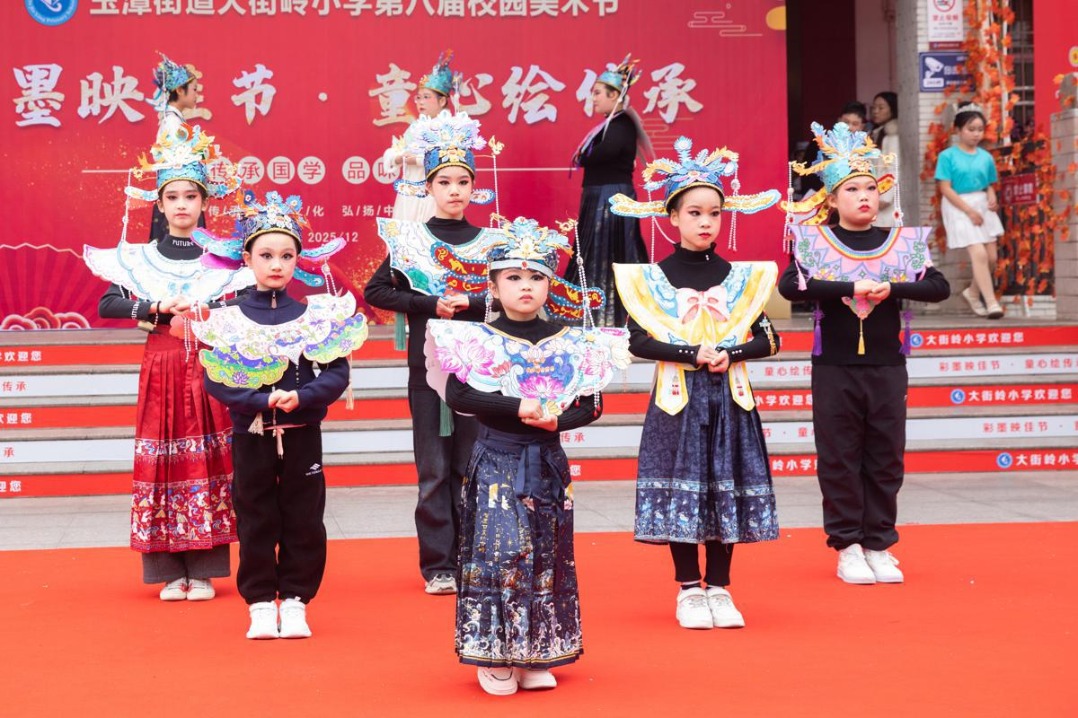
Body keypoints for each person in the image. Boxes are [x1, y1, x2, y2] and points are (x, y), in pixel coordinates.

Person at [425, 216, 630, 695]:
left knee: (548, 553)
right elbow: (461, 397)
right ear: (493, 285)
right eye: (513, 277)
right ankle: (494, 653)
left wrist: (560, 421)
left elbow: (592, 403)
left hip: (549, 461)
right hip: (497, 459)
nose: (525, 286)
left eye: (536, 277)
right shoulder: (477, 338)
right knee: (499, 553)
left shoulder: (574, 339)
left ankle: (541, 648)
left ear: (549, 284)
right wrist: (517, 405)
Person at [610, 136, 782, 629]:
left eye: (714, 213)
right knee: (682, 489)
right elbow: (638, 340)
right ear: (673, 218)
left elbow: (769, 338)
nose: (706, 222)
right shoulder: (650, 280)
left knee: (724, 485)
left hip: (730, 399)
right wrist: (690, 353)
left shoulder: (742, 278)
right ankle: (689, 588)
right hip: (678, 401)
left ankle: (722, 588)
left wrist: (731, 352)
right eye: (695, 213)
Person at [189, 190, 368, 640]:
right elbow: (217, 380)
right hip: (251, 433)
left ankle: (295, 600)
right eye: (266, 254)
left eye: (287, 255)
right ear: (246, 258)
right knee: (254, 514)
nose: (276, 264)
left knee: (304, 514)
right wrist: (260, 399)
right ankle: (259, 603)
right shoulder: (227, 318)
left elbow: (337, 372)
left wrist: (303, 396)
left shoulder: (315, 315)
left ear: (297, 261)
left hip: (303, 429)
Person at [779, 121, 950, 585]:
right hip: (835, 366)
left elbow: (938, 285)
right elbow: (792, 286)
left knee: (885, 456)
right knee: (839, 455)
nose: (864, 196)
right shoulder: (814, 242)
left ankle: (879, 542)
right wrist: (851, 286)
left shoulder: (898, 243)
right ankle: (847, 544)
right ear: (832, 199)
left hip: (886, 365)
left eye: (871, 188)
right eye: (852, 189)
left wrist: (889, 287)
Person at [83, 124, 247, 602]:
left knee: (211, 458)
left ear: (204, 202)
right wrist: (154, 310)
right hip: (161, 366)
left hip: (210, 366)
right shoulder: (138, 258)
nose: (181, 205)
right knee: (161, 460)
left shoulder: (225, 258)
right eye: (171, 196)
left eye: (190, 196)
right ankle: (167, 570)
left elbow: (242, 305)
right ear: (158, 203)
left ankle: (205, 567)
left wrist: (210, 313)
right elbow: (108, 305)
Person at [366, 110, 495, 596]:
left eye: (464, 181)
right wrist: (427, 303)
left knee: (474, 467)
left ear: (474, 187)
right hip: (427, 371)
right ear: (429, 187)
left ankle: (474, 558)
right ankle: (439, 565)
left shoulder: (492, 242)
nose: (455, 190)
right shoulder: (410, 241)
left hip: (480, 374)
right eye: (445, 181)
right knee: (434, 470)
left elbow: (512, 296)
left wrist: (474, 301)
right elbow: (376, 291)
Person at [566, 54, 654, 327]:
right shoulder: (609, 125)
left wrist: (587, 156)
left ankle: (617, 312)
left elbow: (600, 154)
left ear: (615, 95)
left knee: (613, 251)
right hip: (598, 195)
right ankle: (588, 307)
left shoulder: (622, 124)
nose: (592, 98)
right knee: (594, 251)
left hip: (611, 197)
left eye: (598, 93)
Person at [935, 102, 1006, 319]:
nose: (976, 134)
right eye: (970, 129)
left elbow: (989, 184)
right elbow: (945, 188)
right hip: (958, 205)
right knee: (979, 253)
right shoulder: (947, 156)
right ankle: (991, 302)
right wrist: (968, 211)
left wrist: (992, 198)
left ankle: (973, 293)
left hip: (982, 204)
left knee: (992, 257)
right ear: (957, 130)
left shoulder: (986, 157)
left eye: (979, 129)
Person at [380, 50, 460, 224]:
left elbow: (446, 159)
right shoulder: (414, 127)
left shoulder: (451, 127)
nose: (420, 102)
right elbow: (394, 153)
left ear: (442, 101)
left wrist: (413, 160)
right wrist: (400, 157)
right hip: (410, 192)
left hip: (436, 193)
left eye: (426, 97)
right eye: (418, 98)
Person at [149, 54, 204, 242]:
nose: (197, 95)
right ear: (180, 90)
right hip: (181, 189)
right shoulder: (172, 123)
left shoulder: (174, 120)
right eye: (194, 89)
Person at [870, 92, 901, 227]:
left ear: (892, 109)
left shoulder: (892, 136)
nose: (876, 111)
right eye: (874, 107)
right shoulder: (877, 133)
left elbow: (893, 167)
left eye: (881, 107)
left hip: (885, 200)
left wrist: (885, 197)